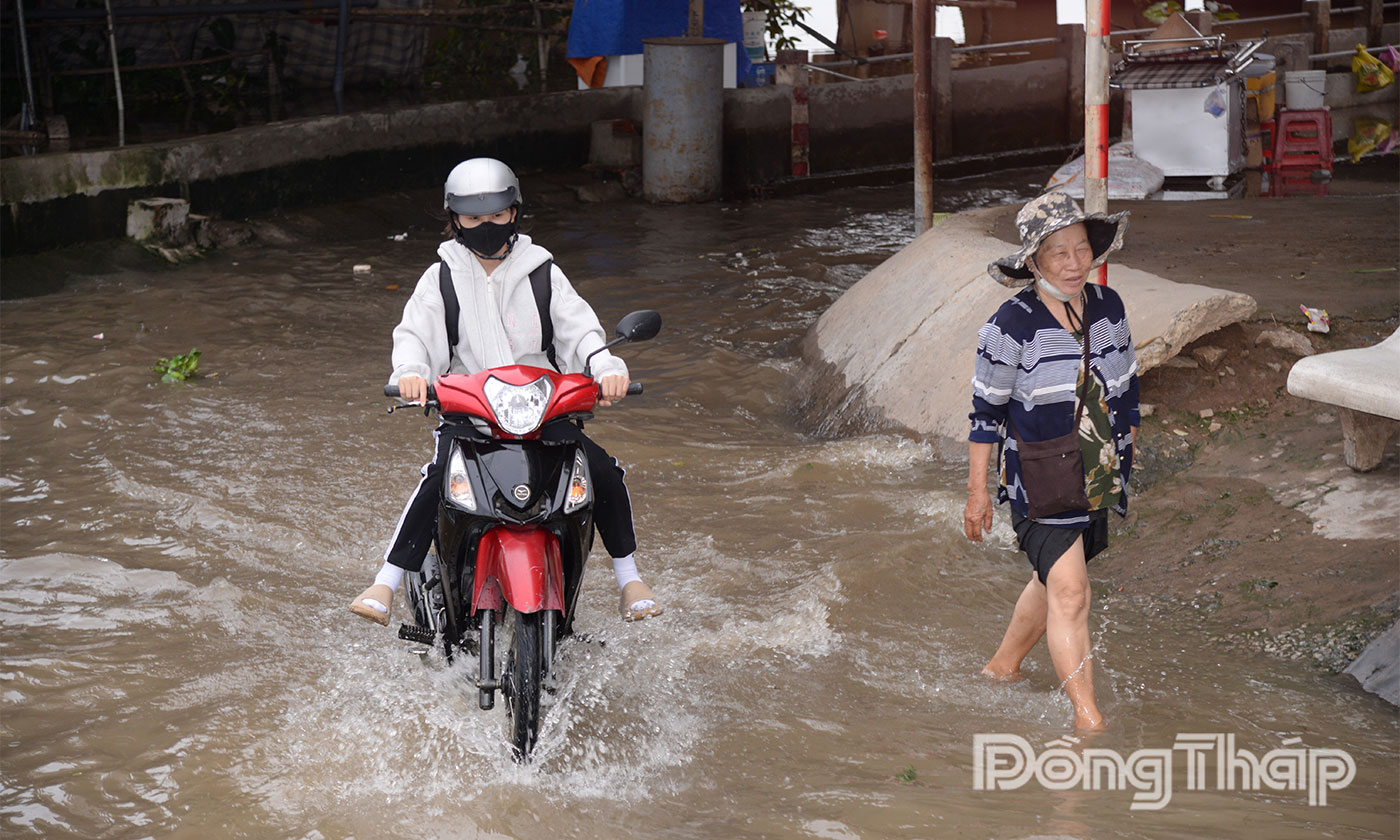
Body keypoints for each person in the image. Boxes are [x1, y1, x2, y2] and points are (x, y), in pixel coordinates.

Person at [351, 158, 664, 626]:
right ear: (455, 218)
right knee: (436, 478)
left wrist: (607, 366)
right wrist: (412, 372)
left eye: (496, 216)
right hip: (471, 415)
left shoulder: (542, 271)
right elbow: (416, 335)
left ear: (514, 212)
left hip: (544, 412)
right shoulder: (441, 277)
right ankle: (388, 580)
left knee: (603, 471)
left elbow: (580, 331)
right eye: (474, 218)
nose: (486, 226)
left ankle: (629, 578)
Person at [963, 192, 1139, 731]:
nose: (1072, 263)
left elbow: (1127, 392)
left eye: (1081, 249)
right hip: (1037, 476)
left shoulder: (1108, 306)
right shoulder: (1011, 325)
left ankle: (1001, 667)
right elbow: (985, 415)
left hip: (1096, 470)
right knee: (1071, 589)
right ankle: (1088, 719)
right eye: (1057, 253)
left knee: (1053, 581)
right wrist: (977, 494)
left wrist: (1125, 463)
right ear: (1033, 261)